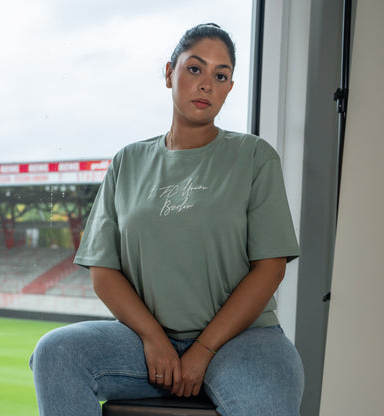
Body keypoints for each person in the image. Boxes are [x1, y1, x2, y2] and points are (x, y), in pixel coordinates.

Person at [30, 23, 304, 416]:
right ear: (169, 73)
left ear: (229, 88)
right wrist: (152, 337)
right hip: (145, 343)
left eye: (220, 76)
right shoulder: (128, 161)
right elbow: (103, 270)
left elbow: (270, 268)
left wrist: (204, 349)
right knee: (56, 353)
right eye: (195, 68)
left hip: (243, 340)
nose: (206, 84)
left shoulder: (255, 157)